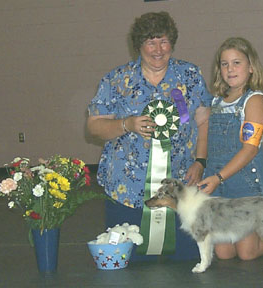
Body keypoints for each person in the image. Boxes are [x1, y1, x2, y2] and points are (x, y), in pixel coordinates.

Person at [87, 11, 212, 260]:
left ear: (172, 43)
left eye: (164, 41)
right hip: (127, 190)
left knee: (187, 259)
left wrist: (200, 161)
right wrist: (127, 124)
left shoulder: (190, 75)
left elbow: (203, 121)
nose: (158, 49)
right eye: (151, 42)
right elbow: (94, 126)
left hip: (180, 186)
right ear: (139, 45)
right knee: (127, 262)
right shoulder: (116, 80)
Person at [198, 37, 263, 261]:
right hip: (217, 181)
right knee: (224, 254)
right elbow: (204, 138)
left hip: (244, 179)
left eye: (237, 63)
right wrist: (201, 166)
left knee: (247, 254)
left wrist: (218, 177)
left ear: (251, 67)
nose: (230, 69)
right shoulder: (216, 102)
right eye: (224, 64)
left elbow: (250, 150)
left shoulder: (254, 100)